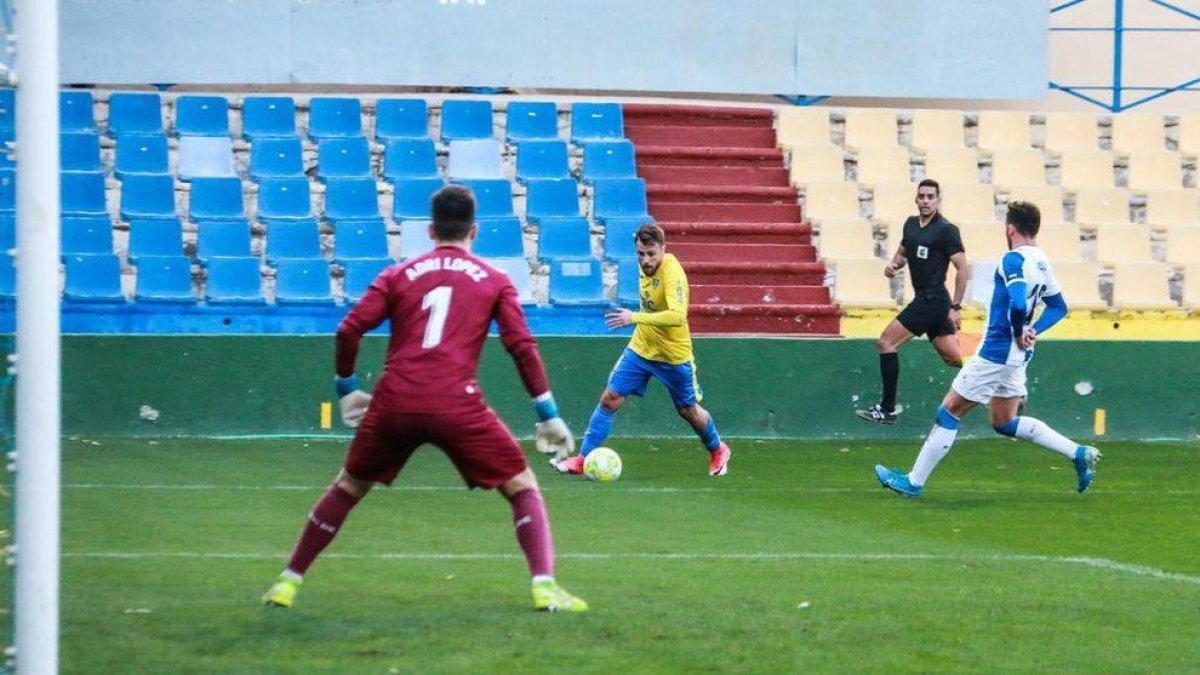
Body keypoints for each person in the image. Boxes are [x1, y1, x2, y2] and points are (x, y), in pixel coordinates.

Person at [262, 185, 588, 612]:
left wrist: (346, 389)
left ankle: (288, 582)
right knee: (521, 485)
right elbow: (521, 346)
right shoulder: (494, 280)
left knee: (348, 486)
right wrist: (547, 414)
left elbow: (347, 330)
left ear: (431, 230)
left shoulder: (398, 275)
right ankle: (544, 585)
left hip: (395, 401)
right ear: (475, 231)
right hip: (458, 403)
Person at [873, 201, 1101, 497]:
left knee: (949, 411)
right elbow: (1059, 307)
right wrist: (1033, 331)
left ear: (1010, 229)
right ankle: (1078, 452)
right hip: (1017, 356)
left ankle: (913, 482)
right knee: (1004, 421)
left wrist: (1021, 331)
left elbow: (1019, 303)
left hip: (997, 352)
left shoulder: (1012, 261)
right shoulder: (1042, 262)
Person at [552, 223, 732, 477]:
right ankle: (583, 460)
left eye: (651, 254)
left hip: (673, 355)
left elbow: (677, 316)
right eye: (640, 254)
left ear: (663, 250)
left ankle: (717, 449)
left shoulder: (673, 272)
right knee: (610, 397)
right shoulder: (642, 267)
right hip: (642, 347)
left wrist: (634, 318)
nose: (646, 260)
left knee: (688, 410)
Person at [856, 178, 970, 425]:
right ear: (916, 199)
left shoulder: (946, 230)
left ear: (939, 199)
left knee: (886, 343)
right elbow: (903, 252)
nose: (926, 201)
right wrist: (893, 265)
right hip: (927, 300)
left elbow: (962, 268)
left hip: (933, 299)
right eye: (922, 196)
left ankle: (887, 409)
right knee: (955, 359)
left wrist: (956, 307)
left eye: (931, 196)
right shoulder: (910, 225)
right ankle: (1003, 384)